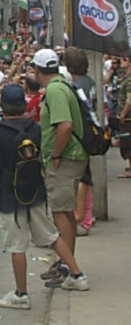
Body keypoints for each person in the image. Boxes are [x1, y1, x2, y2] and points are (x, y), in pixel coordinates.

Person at [0, 83, 87, 309]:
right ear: (24, 106)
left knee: (17, 245)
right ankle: (77, 274)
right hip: (36, 190)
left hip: (10, 195)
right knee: (51, 235)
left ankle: (21, 294)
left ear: (4, 107)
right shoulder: (36, 128)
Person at [33, 47, 89, 284]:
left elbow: (64, 125)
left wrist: (55, 155)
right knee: (65, 212)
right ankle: (66, 262)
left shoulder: (55, 90)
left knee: (59, 213)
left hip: (65, 158)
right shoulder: (62, 85)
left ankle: (70, 268)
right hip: (71, 156)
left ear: (37, 70)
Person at [64, 45, 96, 235]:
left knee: (82, 178)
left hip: (82, 134)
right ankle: (87, 215)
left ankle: (83, 219)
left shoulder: (76, 87)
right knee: (86, 177)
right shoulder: (90, 82)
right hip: (90, 132)